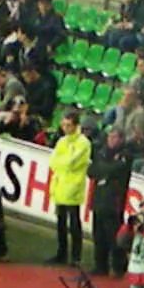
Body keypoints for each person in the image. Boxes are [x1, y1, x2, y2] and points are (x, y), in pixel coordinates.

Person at [46, 112, 92, 266]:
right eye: (63, 125)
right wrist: (62, 163)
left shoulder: (83, 143)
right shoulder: (62, 141)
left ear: (75, 125)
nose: (65, 128)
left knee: (74, 222)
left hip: (73, 187)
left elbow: (72, 163)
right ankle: (62, 253)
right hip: (60, 185)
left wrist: (62, 162)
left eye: (68, 125)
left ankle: (76, 256)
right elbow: (53, 162)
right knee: (60, 222)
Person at [87, 128, 133, 277]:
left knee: (114, 237)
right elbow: (91, 170)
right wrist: (104, 170)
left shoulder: (125, 155)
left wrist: (103, 170)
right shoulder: (102, 152)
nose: (111, 140)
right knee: (98, 235)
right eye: (110, 137)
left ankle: (119, 267)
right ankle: (101, 266)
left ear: (121, 139)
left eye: (114, 137)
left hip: (114, 202)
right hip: (99, 198)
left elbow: (116, 169)